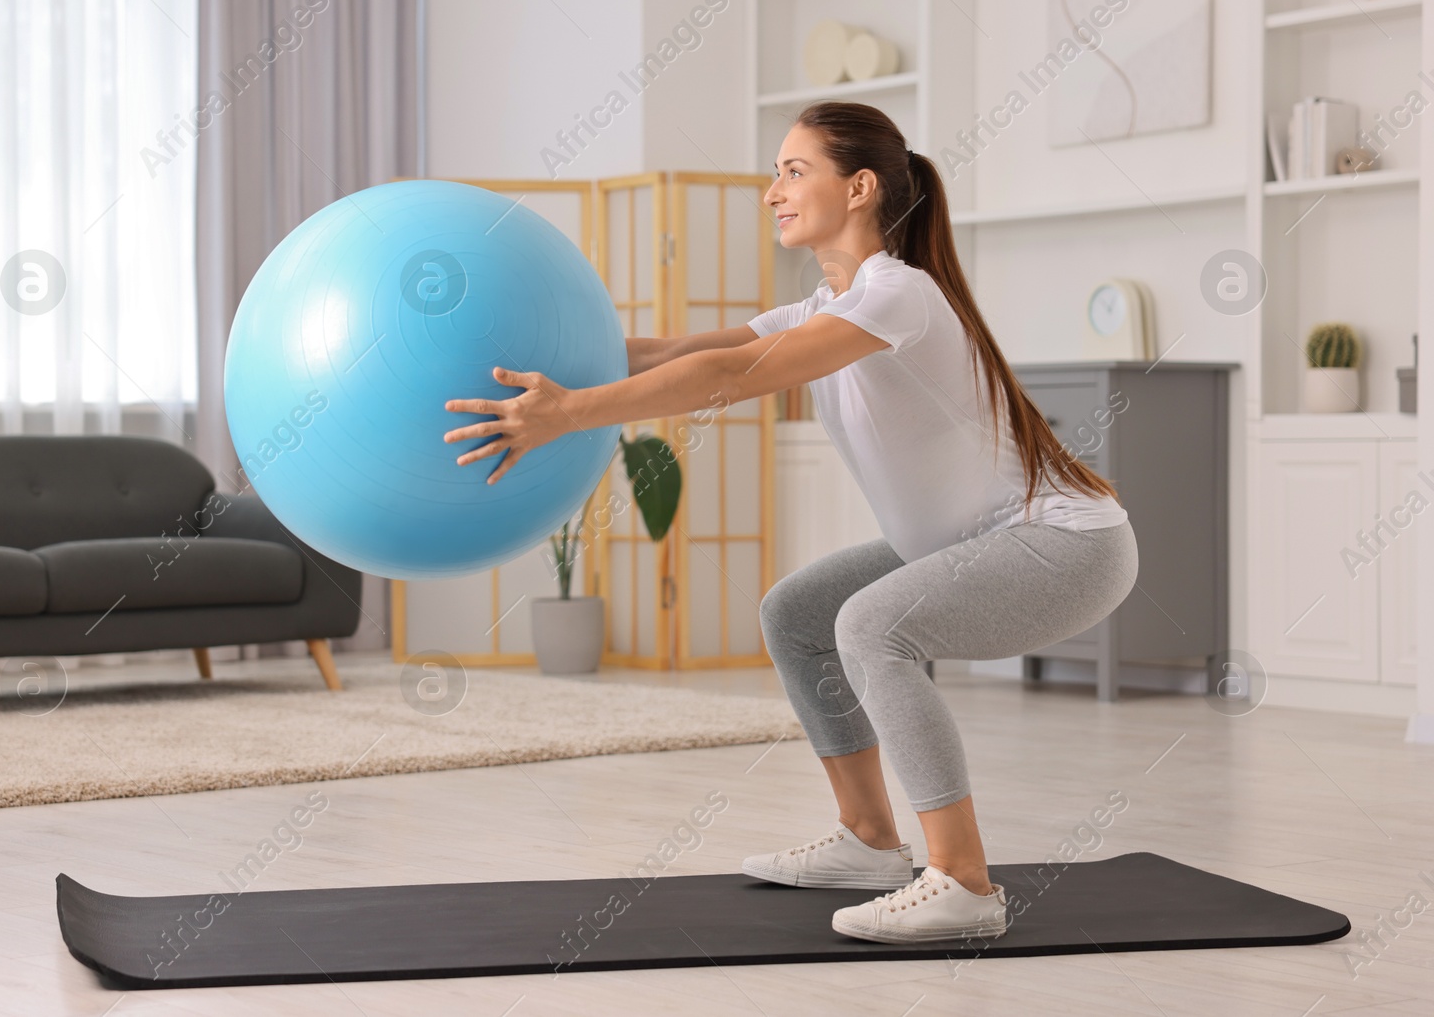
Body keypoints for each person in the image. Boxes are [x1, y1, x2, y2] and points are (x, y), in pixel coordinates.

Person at [442, 100, 1138, 945]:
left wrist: (574, 411)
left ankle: (963, 882)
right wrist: (545, 358)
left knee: (872, 623)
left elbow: (731, 375)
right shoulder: (830, 302)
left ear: (861, 187)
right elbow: (674, 351)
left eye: (793, 170)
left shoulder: (897, 293)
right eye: (776, 172)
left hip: (1066, 547)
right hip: (969, 543)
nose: (772, 190)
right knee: (796, 613)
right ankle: (870, 840)